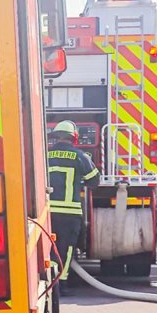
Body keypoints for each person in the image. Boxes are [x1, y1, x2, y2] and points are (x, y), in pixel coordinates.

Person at [47, 120, 100, 289]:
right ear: (74, 138)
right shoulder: (80, 156)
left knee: (48, 248)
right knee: (67, 249)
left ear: (55, 137)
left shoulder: (44, 155)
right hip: (69, 214)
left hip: (46, 213)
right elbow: (94, 181)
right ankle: (61, 284)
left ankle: (47, 281)